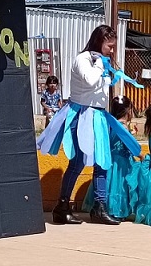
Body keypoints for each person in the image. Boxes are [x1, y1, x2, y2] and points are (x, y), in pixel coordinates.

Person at [37, 25, 141, 226]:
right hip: (81, 114)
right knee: (77, 162)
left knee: (102, 160)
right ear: (99, 41)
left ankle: (99, 208)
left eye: (113, 47)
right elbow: (90, 80)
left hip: (98, 116)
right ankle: (62, 206)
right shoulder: (83, 59)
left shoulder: (101, 61)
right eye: (109, 46)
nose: (112, 50)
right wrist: (102, 64)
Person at [81, 96, 141, 220]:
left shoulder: (109, 123)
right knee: (119, 185)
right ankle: (117, 210)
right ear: (128, 110)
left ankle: (104, 208)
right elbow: (129, 145)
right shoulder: (122, 127)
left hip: (110, 158)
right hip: (121, 162)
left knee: (108, 183)